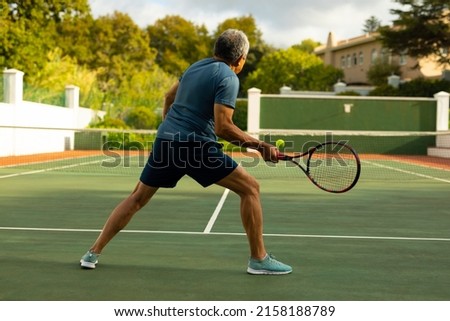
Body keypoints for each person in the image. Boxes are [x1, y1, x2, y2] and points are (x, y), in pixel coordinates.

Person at [80, 29, 292, 275]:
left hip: (166, 141)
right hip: (195, 146)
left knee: (137, 197)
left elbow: (169, 96)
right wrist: (261, 146)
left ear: (217, 50)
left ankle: (92, 253)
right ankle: (258, 259)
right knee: (251, 188)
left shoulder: (195, 67)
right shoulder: (229, 77)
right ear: (240, 58)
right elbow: (224, 127)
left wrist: (170, 126)